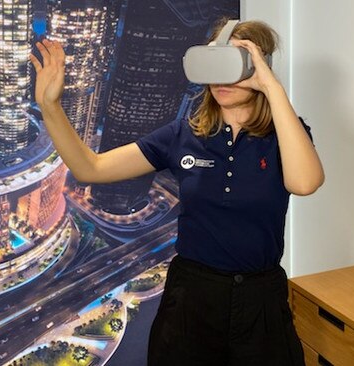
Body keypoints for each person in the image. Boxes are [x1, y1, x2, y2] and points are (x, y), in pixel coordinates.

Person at [30, 18, 324, 366]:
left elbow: (305, 183)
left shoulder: (285, 136)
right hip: (192, 297)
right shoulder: (183, 134)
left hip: (260, 299)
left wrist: (272, 88)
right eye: (212, 62)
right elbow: (89, 168)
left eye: (233, 63)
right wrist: (51, 107)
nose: (220, 77)